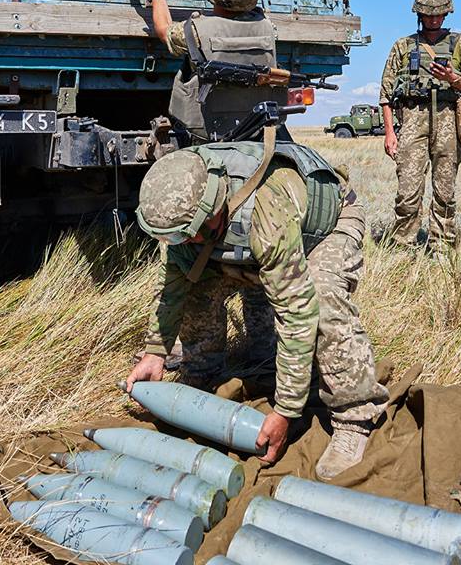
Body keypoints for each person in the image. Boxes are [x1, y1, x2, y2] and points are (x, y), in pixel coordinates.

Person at [125, 140, 389, 476]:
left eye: (188, 235)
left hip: (326, 227)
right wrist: (155, 353)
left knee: (322, 299)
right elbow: (173, 286)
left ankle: (355, 418)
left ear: (212, 210)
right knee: (197, 282)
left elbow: (298, 312)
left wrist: (285, 411)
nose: (182, 244)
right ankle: (203, 369)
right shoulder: (188, 219)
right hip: (266, 237)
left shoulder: (266, 213)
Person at [137, 0, 286, 142]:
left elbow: (164, 30)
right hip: (255, 127)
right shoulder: (268, 27)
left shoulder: (195, 31)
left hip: (205, 131)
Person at [380, 0, 461, 251]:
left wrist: (453, 78)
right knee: (407, 191)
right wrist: (390, 133)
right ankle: (403, 246)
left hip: (448, 121)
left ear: (447, 13)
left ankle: (441, 246)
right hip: (412, 121)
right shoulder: (402, 46)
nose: (434, 20)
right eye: (429, 15)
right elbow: (385, 94)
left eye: (439, 15)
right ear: (419, 14)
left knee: (445, 191)